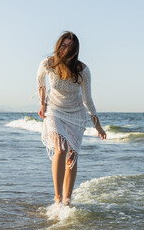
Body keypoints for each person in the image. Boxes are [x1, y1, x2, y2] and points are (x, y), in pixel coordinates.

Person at [37, 31, 106, 206]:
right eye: (63, 45)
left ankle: (67, 200)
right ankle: (58, 197)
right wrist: (42, 103)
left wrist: (98, 126)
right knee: (61, 148)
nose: (65, 49)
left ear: (76, 50)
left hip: (75, 113)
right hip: (54, 110)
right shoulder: (48, 63)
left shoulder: (82, 70)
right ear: (58, 46)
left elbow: (87, 99)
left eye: (70, 47)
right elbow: (40, 80)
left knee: (72, 156)